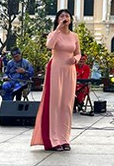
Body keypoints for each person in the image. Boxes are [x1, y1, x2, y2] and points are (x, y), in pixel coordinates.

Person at [31, 9, 81, 151]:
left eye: (67, 16)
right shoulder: (54, 34)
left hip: (69, 70)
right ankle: (53, 140)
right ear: (57, 19)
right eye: (62, 16)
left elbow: (78, 53)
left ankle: (65, 139)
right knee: (55, 104)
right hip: (56, 69)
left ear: (71, 19)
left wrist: (76, 59)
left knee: (67, 104)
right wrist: (58, 28)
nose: (65, 18)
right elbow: (49, 45)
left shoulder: (74, 36)